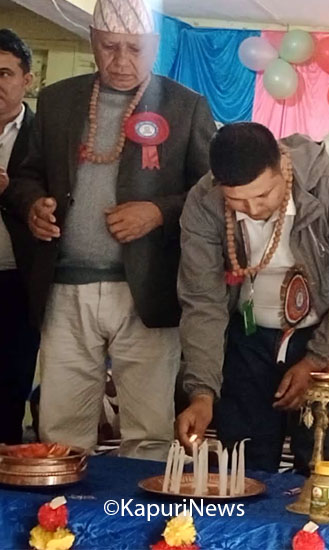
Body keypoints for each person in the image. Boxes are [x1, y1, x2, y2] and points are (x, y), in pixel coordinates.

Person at [2, 0, 216, 459]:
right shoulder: (59, 100)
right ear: (92, 42)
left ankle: (136, 504)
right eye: (109, 47)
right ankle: (63, 505)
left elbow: (211, 194)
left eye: (134, 49)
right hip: (65, 287)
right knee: (59, 429)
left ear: (155, 46)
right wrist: (32, 204)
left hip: (147, 290)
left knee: (149, 431)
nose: (120, 61)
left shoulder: (186, 106)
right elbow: (25, 175)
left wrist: (157, 212)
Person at [176, 123, 329, 471]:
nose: (253, 209)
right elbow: (203, 301)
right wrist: (202, 393)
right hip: (249, 334)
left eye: (264, 195)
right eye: (237, 200)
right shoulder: (204, 201)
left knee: (321, 457)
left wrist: (316, 360)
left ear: (282, 168)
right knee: (243, 456)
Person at [0, 28, 37, 444]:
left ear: (27, 79)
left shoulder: (45, 133)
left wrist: (11, 192)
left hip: (19, 280)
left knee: (10, 387)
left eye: (4, 73)